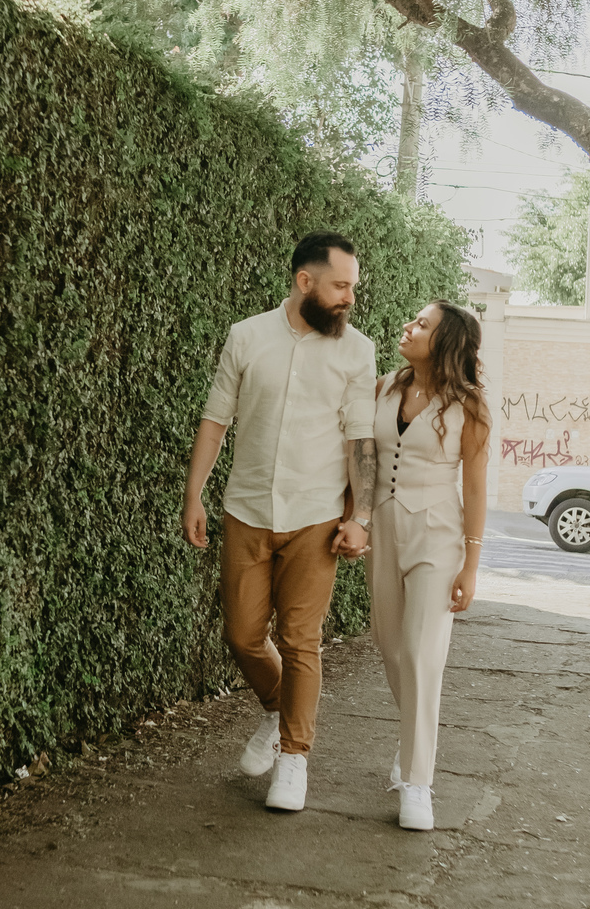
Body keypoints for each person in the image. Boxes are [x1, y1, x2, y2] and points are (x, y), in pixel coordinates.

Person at [181, 233, 377, 812]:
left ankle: (294, 757)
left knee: (300, 641)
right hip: (246, 509)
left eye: (352, 287)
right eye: (340, 286)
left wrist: (361, 516)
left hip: (316, 516)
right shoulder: (246, 336)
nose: (349, 298)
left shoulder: (357, 351)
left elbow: (360, 441)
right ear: (304, 281)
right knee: (242, 635)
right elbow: (216, 419)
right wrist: (194, 495)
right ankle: (278, 709)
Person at [366, 301, 490, 832]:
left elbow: (476, 488)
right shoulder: (383, 387)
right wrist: (357, 518)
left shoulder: (470, 406)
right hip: (383, 528)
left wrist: (471, 565)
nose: (408, 327)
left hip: (438, 537)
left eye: (422, 324)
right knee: (390, 646)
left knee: (421, 653)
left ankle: (417, 782)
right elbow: (363, 458)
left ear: (445, 342)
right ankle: (412, 738)